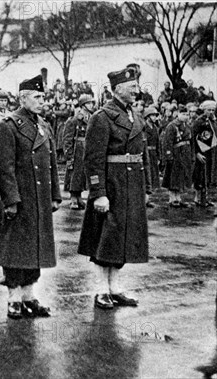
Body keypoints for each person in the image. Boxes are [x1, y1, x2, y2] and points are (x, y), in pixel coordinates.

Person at [78, 67, 151, 310]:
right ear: (118, 89)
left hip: (131, 187)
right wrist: (98, 194)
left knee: (123, 238)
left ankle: (115, 287)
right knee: (105, 239)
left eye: (137, 87)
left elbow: (143, 156)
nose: (137, 91)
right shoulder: (102, 117)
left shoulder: (136, 117)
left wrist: (147, 187)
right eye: (132, 88)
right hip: (112, 186)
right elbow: (93, 160)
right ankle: (101, 290)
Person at [0, 75, 61, 320]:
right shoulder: (8, 126)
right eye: (37, 97)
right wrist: (11, 200)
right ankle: (14, 298)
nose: (42, 101)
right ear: (23, 98)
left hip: (39, 197)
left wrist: (54, 196)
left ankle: (29, 295)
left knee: (35, 248)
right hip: (20, 198)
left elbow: (51, 163)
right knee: (15, 249)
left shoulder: (43, 125)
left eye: (43, 96)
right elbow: (3, 167)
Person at [63, 94, 95, 210]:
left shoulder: (91, 118)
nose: (92, 105)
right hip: (77, 150)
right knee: (74, 174)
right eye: (89, 103)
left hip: (86, 149)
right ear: (83, 105)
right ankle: (73, 199)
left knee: (83, 174)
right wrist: (69, 155)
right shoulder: (75, 120)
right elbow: (67, 139)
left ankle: (79, 196)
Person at [162, 104, 193, 207]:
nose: (185, 116)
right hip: (176, 154)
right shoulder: (172, 126)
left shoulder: (187, 126)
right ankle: (172, 198)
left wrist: (191, 155)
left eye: (187, 114)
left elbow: (190, 141)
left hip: (185, 154)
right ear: (178, 114)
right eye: (183, 114)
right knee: (173, 176)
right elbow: (167, 142)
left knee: (182, 177)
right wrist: (168, 155)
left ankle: (179, 198)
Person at [192, 100, 216, 207]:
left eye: (212, 110)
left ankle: (205, 198)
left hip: (212, 152)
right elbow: (193, 139)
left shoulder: (214, 121)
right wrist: (196, 153)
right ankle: (198, 198)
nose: (211, 112)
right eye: (208, 110)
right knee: (200, 175)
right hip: (201, 152)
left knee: (209, 175)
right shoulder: (198, 122)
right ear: (204, 110)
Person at [142, 107, 162, 196]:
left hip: (153, 153)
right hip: (146, 153)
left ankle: (149, 197)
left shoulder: (155, 128)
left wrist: (159, 156)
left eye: (155, 116)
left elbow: (158, 143)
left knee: (153, 175)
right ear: (147, 116)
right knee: (146, 175)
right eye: (152, 115)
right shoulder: (143, 127)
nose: (154, 118)